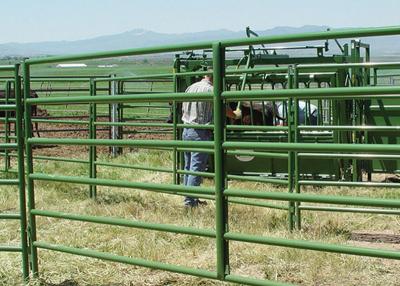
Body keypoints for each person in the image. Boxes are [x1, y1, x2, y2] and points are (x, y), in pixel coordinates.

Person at [182, 75, 240, 207]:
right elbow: (223, 109)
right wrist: (235, 114)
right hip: (200, 131)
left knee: (188, 166)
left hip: (186, 130)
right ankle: (189, 202)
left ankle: (190, 198)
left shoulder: (190, 87)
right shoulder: (210, 90)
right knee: (196, 168)